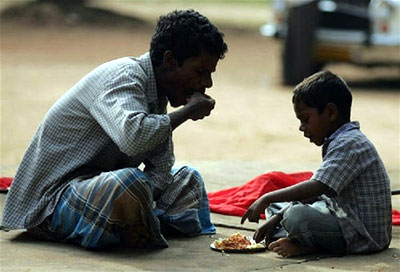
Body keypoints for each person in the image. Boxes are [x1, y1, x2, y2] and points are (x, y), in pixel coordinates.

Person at [0, 9, 228, 249]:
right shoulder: (124, 77)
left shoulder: (158, 96)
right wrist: (186, 113)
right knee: (129, 182)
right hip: (53, 201)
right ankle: (138, 226)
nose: (207, 84)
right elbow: (133, 138)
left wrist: (139, 202)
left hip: (98, 192)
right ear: (170, 61)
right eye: (200, 72)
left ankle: (133, 226)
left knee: (188, 179)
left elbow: (161, 169)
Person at [241, 71, 392, 257]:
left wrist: (267, 197)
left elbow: (317, 187)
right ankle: (288, 233)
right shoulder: (340, 139)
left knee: (296, 216)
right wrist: (277, 215)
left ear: (330, 112)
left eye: (305, 119)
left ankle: (306, 244)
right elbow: (321, 196)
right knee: (280, 210)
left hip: (363, 237)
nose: (301, 127)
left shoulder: (351, 143)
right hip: (341, 217)